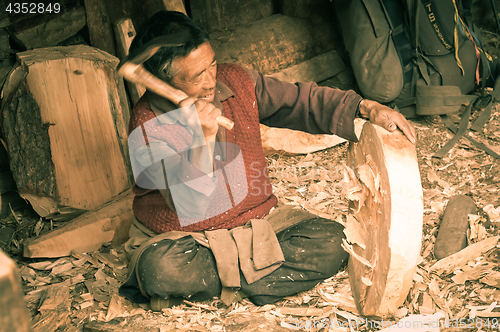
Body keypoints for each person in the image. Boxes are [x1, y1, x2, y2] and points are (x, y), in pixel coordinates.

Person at [119, 10, 416, 309]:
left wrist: (365, 107)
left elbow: (300, 101)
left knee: (333, 241)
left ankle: (226, 283)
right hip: (189, 240)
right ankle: (257, 279)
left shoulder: (234, 80)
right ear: (163, 79)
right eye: (197, 76)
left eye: (212, 64)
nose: (211, 81)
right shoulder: (147, 127)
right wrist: (203, 136)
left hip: (257, 225)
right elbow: (192, 203)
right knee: (159, 271)